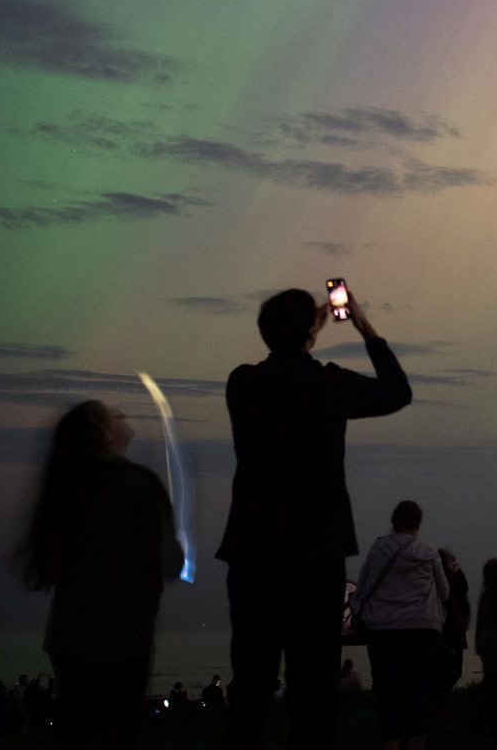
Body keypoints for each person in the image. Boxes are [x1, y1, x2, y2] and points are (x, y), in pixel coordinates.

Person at [217, 287, 411, 749]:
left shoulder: (242, 383)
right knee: (313, 689)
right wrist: (362, 325)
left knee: (251, 685)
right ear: (312, 332)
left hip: (253, 554)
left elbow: (283, 359)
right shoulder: (329, 384)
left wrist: (306, 329)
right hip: (315, 555)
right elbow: (398, 392)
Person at [19, 400, 183, 749]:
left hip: (70, 633)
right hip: (124, 633)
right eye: (113, 413)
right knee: (116, 731)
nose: (122, 413)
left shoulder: (65, 485)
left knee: (77, 730)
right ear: (102, 432)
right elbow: (169, 563)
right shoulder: (139, 484)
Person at [352, 500, 448, 750]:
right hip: (423, 630)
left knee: (388, 695)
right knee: (419, 693)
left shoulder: (378, 549)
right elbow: (445, 593)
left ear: (394, 521)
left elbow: (362, 587)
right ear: (418, 524)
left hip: (383, 632)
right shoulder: (428, 552)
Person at [474, 557, 497, 736]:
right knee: (496, 682)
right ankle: (493, 720)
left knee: (490, 680)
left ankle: (485, 718)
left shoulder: (486, 595)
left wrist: (478, 643)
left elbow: (480, 623)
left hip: (488, 643)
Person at [434, 549, 470, 717]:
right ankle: (441, 705)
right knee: (450, 670)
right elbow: (460, 588)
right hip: (449, 632)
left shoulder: (445, 578)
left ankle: (441, 704)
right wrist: (453, 570)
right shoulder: (443, 579)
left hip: (450, 631)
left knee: (449, 671)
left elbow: (463, 588)